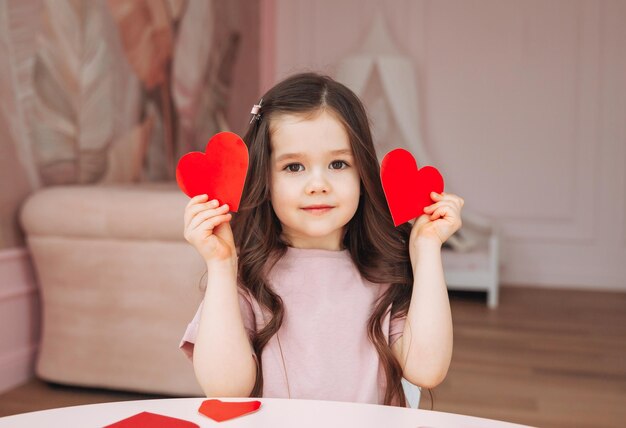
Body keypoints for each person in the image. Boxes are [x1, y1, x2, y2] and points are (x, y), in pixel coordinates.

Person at [180, 72, 464, 407]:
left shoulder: (385, 269)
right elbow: (224, 389)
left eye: (338, 163)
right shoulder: (246, 274)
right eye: (294, 167)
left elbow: (427, 371)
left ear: (363, 173)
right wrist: (221, 265)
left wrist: (426, 249)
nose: (318, 184)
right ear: (264, 177)